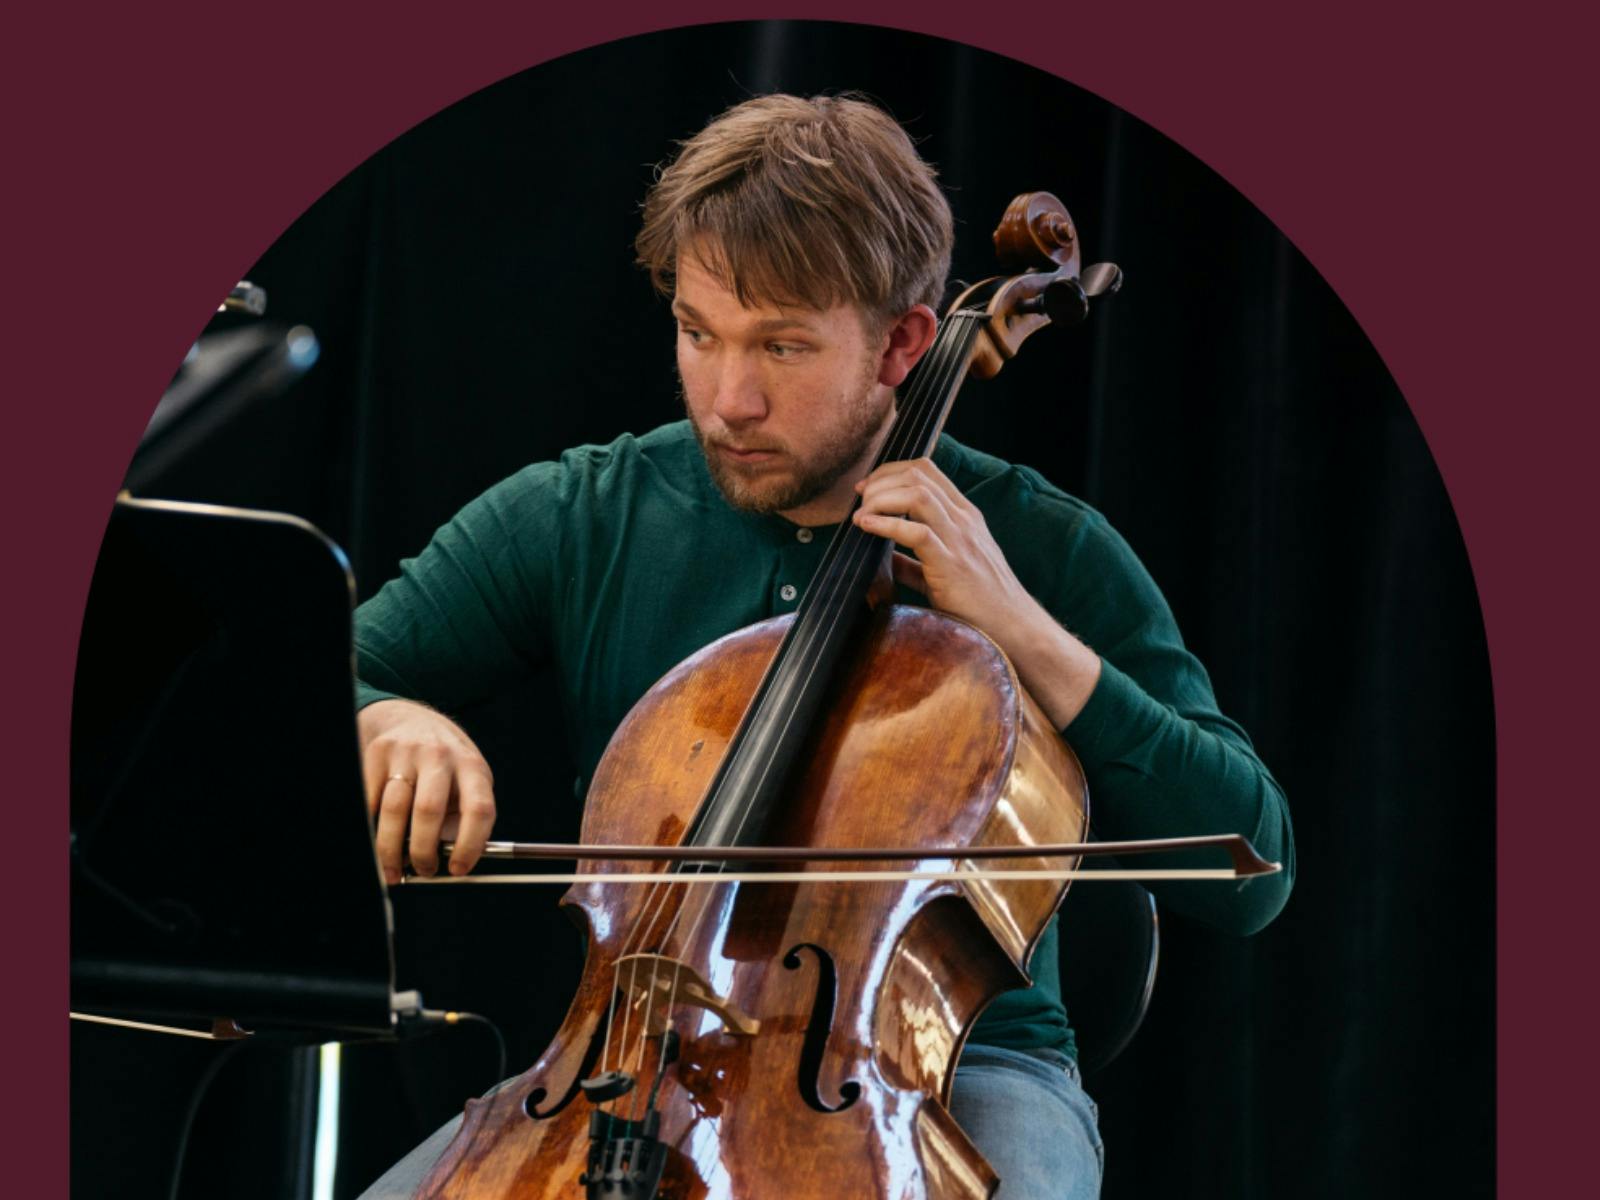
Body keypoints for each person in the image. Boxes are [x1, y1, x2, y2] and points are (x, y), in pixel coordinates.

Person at [351, 93, 1294, 1199]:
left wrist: (1021, 630)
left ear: (904, 341)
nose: (728, 400)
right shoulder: (588, 511)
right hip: (617, 1071)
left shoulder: (1045, 547)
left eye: (784, 346)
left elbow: (1253, 867)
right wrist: (386, 714)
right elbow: (322, 677)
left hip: (960, 1074)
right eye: (698, 334)